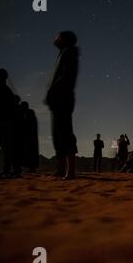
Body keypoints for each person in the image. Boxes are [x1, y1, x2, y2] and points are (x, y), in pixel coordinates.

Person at [45, 31, 79, 179]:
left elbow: (66, 76)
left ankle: (70, 171)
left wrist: (52, 91)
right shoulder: (64, 53)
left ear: (64, 39)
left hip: (63, 98)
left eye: (58, 36)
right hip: (57, 98)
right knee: (57, 134)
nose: (55, 38)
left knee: (65, 133)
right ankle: (60, 169)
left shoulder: (70, 53)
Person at [19, 101, 39, 172]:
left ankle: (32, 168)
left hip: (30, 139)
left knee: (30, 152)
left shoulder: (29, 115)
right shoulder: (29, 115)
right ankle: (31, 168)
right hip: (30, 139)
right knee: (30, 153)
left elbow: (26, 126)